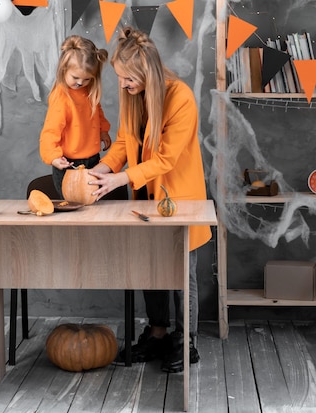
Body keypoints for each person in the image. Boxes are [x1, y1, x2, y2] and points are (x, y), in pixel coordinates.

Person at [88, 27, 212, 373]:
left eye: (128, 79)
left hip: (178, 199)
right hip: (144, 197)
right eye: (121, 79)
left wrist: (118, 179)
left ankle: (186, 341)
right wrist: (102, 169)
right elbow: (125, 144)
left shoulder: (180, 97)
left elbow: (166, 160)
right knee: (151, 268)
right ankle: (157, 334)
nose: (123, 85)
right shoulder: (133, 97)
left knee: (181, 273)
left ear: (145, 73)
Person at [40, 35, 112, 198]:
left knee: (92, 201)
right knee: (73, 203)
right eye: (76, 78)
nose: (80, 82)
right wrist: (53, 157)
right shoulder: (62, 97)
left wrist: (103, 131)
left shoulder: (88, 91)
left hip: (93, 160)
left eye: (86, 79)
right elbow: (50, 132)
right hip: (69, 164)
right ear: (64, 70)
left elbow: (96, 112)